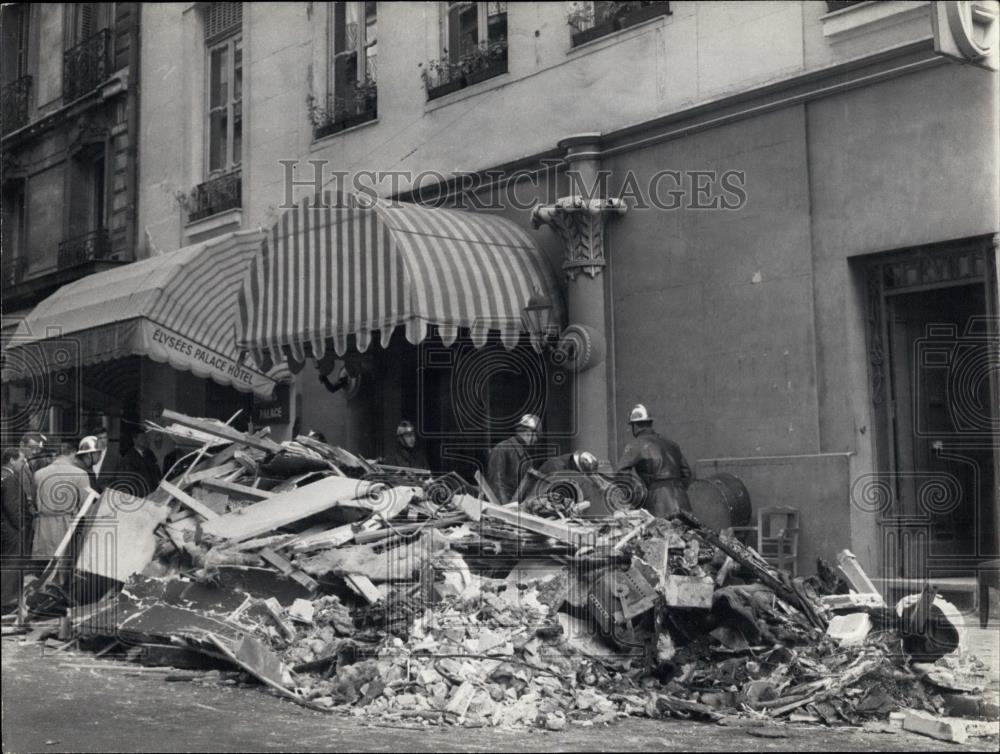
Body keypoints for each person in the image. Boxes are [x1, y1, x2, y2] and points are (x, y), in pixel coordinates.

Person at [615, 403, 692, 518]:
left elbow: (620, 473)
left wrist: (638, 497)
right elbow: (687, 473)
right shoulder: (672, 444)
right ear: (650, 423)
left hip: (658, 504)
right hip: (683, 501)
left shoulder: (636, 445)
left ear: (635, 426)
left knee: (661, 530)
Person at [31, 438, 100, 558]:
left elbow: (34, 501)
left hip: (43, 529)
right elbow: (87, 506)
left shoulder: (38, 474)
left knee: (44, 563)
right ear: (73, 454)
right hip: (66, 528)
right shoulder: (80, 474)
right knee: (64, 562)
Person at [486, 414, 542, 504]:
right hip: (501, 506)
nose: (536, 440)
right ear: (529, 432)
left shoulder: (528, 459)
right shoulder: (502, 448)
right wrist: (506, 508)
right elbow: (496, 482)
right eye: (536, 436)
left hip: (516, 507)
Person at [5, 433, 44, 557]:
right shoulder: (17, 465)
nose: (35, 452)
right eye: (32, 448)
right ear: (22, 444)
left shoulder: (28, 463)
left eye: (37, 449)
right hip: (21, 516)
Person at [112, 429, 162, 497]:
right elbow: (127, 480)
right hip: (141, 495)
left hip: (154, 492)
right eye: (142, 438)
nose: (145, 440)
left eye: (145, 438)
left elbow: (157, 472)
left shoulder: (150, 453)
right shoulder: (128, 458)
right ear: (134, 440)